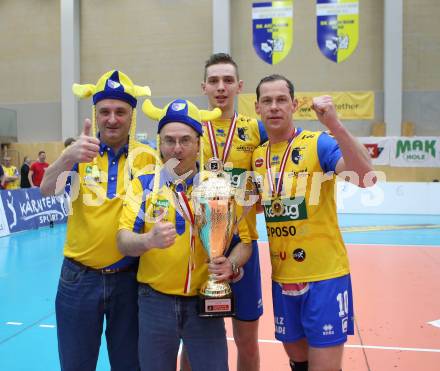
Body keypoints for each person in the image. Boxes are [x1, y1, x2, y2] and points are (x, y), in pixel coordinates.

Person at [251, 74, 375, 371]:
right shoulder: (257, 157)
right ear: (257, 108)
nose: (274, 107)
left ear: (294, 104)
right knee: (298, 360)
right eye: (267, 101)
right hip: (283, 277)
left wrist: (335, 125)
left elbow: (365, 177)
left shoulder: (317, 143)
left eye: (281, 100)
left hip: (325, 277)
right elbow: (255, 205)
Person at [40, 70, 156, 371]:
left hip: (130, 279)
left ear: (132, 115)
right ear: (96, 114)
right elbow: (46, 190)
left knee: (131, 365)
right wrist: (67, 157)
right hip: (79, 280)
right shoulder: (80, 155)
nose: (112, 119)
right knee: (76, 365)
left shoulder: (149, 159)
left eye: (120, 111)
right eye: (105, 111)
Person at [117, 98, 229, 371]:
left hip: (205, 301)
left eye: (185, 140)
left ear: (198, 144)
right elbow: (122, 241)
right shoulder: (142, 185)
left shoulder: (217, 188)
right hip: (155, 303)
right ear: (159, 144)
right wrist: (147, 240)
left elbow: (240, 242)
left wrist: (232, 263)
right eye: (169, 140)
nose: (177, 148)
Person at [181, 53, 267, 371]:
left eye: (228, 80)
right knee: (193, 343)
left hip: (243, 246)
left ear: (239, 86)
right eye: (214, 81)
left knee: (247, 341)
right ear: (204, 86)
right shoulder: (190, 129)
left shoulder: (256, 130)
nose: (221, 87)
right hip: (198, 246)